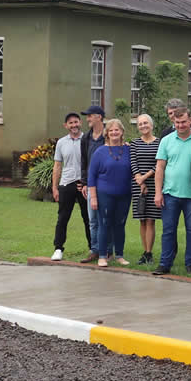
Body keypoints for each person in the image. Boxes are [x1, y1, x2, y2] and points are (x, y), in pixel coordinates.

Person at [152, 107, 191, 276]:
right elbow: (160, 168)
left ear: (190, 121)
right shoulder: (166, 140)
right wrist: (158, 193)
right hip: (170, 193)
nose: (180, 125)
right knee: (168, 230)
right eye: (177, 122)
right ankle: (165, 263)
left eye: (183, 122)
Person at [86, 118, 132, 267]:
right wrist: (93, 197)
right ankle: (102, 256)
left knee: (120, 224)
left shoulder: (128, 150)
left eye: (117, 130)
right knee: (104, 224)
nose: (114, 132)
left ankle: (119, 255)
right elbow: (91, 176)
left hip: (124, 194)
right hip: (104, 194)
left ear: (122, 132)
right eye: (111, 130)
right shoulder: (100, 152)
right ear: (107, 133)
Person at [50, 112, 92, 261]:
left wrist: (90, 183)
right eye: (70, 123)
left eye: (76, 122)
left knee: (88, 218)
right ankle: (58, 248)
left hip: (84, 184)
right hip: (66, 184)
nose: (74, 125)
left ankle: (93, 248)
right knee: (62, 218)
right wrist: (55, 187)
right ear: (66, 126)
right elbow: (57, 166)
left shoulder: (87, 139)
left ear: (80, 122)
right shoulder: (61, 142)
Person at [129, 114, 161, 265]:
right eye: (140, 124)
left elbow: (159, 163)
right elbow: (133, 162)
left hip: (154, 185)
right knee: (142, 220)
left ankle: (149, 252)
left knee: (150, 220)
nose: (143, 126)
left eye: (145, 123)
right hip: (138, 186)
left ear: (151, 125)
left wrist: (145, 177)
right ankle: (144, 251)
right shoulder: (134, 143)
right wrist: (140, 181)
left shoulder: (160, 143)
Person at [79, 104, 107, 263]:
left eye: (90, 115)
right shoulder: (86, 138)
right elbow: (83, 161)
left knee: (106, 218)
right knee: (93, 219)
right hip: (91, 184)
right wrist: (83, 183)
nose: (87, 119)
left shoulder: (108, 135)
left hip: (106, 183)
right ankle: (95, 249)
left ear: (99, 117)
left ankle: (108, 250)